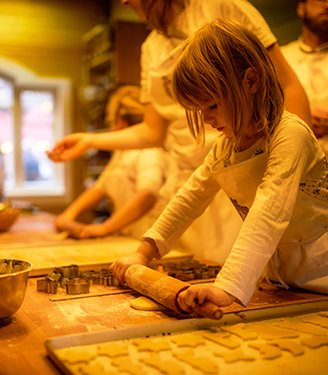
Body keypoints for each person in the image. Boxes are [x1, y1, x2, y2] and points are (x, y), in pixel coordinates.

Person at [47, 0, 312, 263]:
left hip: (245, 176)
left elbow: (286, 84)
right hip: (186, 178)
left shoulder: (222, 6)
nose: (125, 2)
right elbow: (153, 131)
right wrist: (90, 140)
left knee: (242, 272)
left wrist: (294, 158)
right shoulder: (150, 47)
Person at [110, 19, 328, 312]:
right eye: (199, 109)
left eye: (211, 105)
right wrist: (143, 253)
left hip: (321, 276)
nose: (206, 119)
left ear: (250, 81)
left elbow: (268, 213)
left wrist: (228, 287)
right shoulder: (227, 147)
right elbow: (189, 199)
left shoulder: (290, 135)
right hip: (282, 280)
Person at [54, 85, 167, 240]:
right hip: (129, 240)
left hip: (151, 242)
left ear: (119, 121)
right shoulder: (121, 153)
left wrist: (105, 228)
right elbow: (100, 188)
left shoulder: (149, 151)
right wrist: (68, 215)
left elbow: (148, 194)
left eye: (110, 120)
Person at [281, 0, 328, 153]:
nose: (326, 5)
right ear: (301, 8)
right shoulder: (282, 57)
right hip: (297, 156)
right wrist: (300, 118)